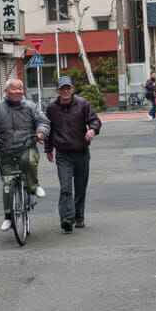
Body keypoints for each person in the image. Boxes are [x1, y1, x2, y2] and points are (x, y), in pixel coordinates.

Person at [0, 78, 49, 232]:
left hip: (27, 147)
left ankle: (33, 186)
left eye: (20, 88)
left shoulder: (31, 106)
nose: (18, 91)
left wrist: (41, 133)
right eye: (14, 88)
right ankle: (8, 217)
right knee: (7, 185)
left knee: (30, 161)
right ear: (6, 91)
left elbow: (43, 122)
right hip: (6, 150)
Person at [44, 76, 101, 233]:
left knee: (80, 187)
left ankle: (79, 217)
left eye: (68, 88)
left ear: (73, 89)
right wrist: (48, 149)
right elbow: (48, 129)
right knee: (65, 187)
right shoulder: (51, 108)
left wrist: (92, 130)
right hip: (63, 154)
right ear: (57, 90)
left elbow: (95, 120)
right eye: (62, 88)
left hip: (81, 152)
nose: (65, 91)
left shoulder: (82, 104)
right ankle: (67, 219)